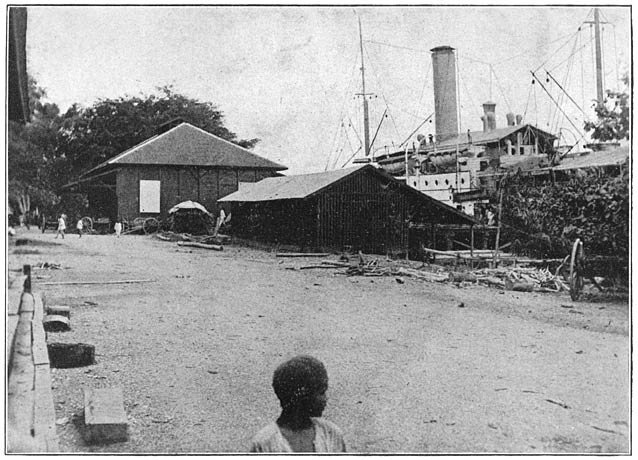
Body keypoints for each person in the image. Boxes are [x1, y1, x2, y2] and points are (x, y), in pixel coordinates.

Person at [250, 355, 346, 453]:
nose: (325, 399)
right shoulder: (264, 443)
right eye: (321, 392)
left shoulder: (331, 435)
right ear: (302, 396)